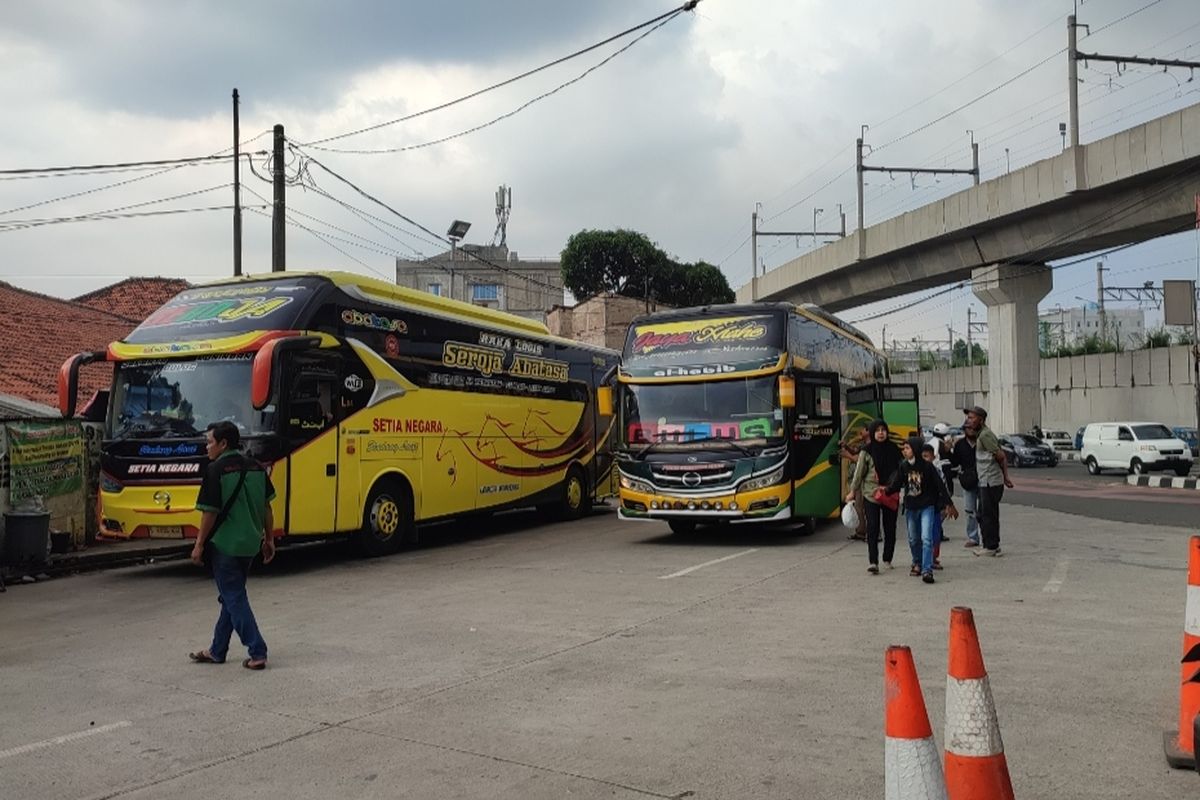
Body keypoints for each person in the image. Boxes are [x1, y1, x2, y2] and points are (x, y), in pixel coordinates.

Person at [188, 420, 276, 670]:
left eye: (210, 442)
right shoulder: (257, 467)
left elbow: (210, 513)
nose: (207, 447)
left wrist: (199, 544)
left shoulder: (216, 470)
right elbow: (267, 508)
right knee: (231, 597)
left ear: (223, 443)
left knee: (234, 597)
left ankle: (257, 651)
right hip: (250, 543)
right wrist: (268, 539)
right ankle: (217, 650)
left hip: (225, 545)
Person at [885, 436, 958, 584]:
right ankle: (916, 563)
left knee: (926, 538)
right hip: (911, 507)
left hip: (927, 506)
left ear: (915, 449)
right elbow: (896, 484)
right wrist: (884, 491)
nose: (904, 451)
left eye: (907, 448)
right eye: (904, 448)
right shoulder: (904, 466)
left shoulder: (927, 466)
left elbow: (940, 486)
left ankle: (927, 570)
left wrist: (949, 504)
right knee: (913, 539)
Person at [845, 419, 902, 575]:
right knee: (873, 526)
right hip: (871, 494)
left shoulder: (894, 449)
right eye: (877, 430)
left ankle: (887, 558)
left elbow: (901, 470)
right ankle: (873, 561)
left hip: (890, 493)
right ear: (872, 433)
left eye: (883, 430)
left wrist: (895, 486)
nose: (881, 433)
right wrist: (852, 491)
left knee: (890, 527)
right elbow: (859, 474)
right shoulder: (866, 451)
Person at [963, 406, 1013, 557]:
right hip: (985, 481)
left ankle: (990, 547)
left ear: (981, 420)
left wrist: (1005, 478)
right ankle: (993, 544)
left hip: (990, 482)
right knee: (984, 514)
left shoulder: (985, 436)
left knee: (986, 515)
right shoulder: (981, 435)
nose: (968, 421)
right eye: (968, 417)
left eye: (972, 418)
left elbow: (1001, 456)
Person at [948, 419, 981, 547]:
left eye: (973, 428)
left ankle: (987, 537)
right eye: (968, 428)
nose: (971, 430)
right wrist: (948, 451)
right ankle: (973, 537)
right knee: (969, 510)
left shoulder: (982, 442)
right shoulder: (960, 444)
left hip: (983, 477)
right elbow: (955, 462)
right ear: (964, 430)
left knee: (983, 510)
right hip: (968, 479)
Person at [840, 426, 871, 541]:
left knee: (863, 508)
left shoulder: (870, 446)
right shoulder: (863, 444)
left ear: (868, 431)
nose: (860, 432)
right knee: (858, 507)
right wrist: (846, 446)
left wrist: (846, 455)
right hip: (858, 481)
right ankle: (860, 531)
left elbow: (859, 460)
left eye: (862, 430)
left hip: (864, 481)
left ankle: (868, 532)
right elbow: (854, 451)